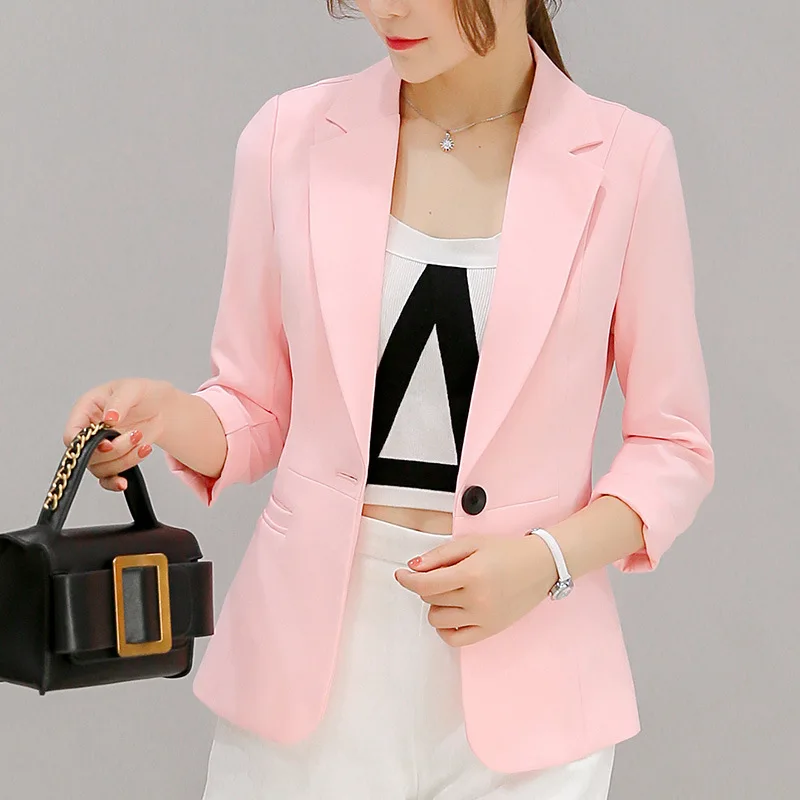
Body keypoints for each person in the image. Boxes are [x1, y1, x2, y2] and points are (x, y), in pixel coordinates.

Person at [64, 1, 715, 797]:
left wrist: (545, 561)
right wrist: (167, 416)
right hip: (307, 672)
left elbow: (672, 445)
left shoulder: (626, 160)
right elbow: (255, 405)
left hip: (530, 678)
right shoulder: (289, 137)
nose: (387, 8)